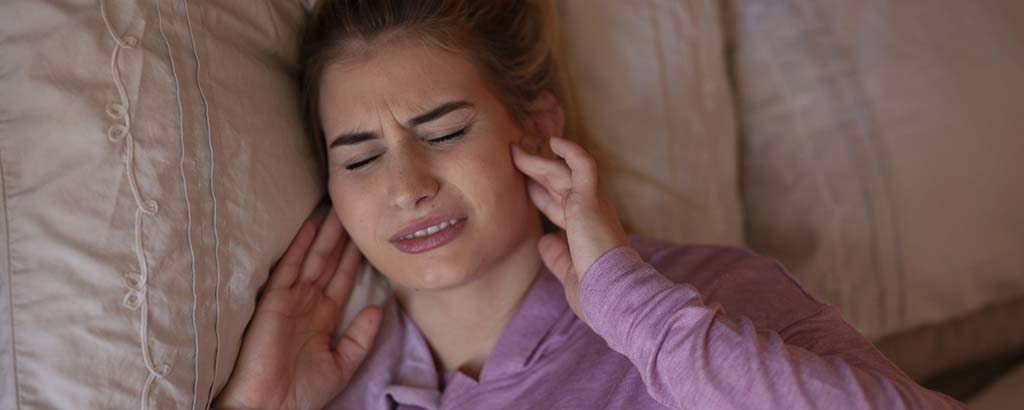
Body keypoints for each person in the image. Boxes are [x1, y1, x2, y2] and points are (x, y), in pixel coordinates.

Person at [214, 1, 965, 409]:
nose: (407, 185)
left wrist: (634, 311)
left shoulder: (704, 301)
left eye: (442, 131)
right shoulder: (332, 389)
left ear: (536, 128)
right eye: (362, 156)